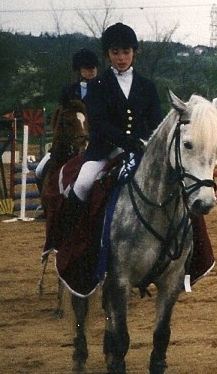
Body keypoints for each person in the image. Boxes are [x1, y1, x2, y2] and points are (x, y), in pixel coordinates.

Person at [62, 23, 163, 230]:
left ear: (134, 52)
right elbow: (98, 124)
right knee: (82, 184)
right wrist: (126, 141)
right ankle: (71, 238)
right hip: (104, 152)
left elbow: (155, 121)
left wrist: (143, 142)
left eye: (126, 52)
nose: (121, 58)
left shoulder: (148, 86)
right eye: (115, 52)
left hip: (141, 150)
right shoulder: (97, 86)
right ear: (108, 55)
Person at [34, 48, 100, 185]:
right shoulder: (68, 91)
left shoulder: (103, 89)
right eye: (87, 68)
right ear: (79, 70)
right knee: (40, 171)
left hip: (94, 140)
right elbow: (59, 118)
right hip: (69, 142)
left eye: (94, 68)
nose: (92, 71)